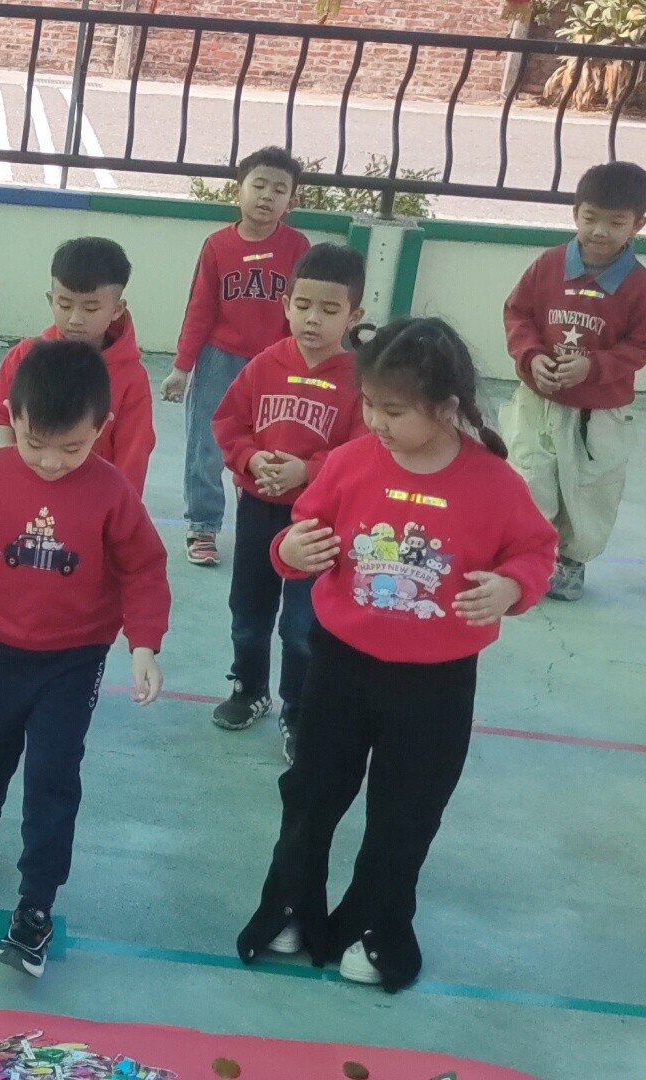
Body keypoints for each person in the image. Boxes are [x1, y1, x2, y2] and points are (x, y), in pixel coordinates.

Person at [237, 318, 556, 994]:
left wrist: (510, 587)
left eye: (394, 410)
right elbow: (301, 530)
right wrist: (289, 550)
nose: (376, 421)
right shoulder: (350, 463)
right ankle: (289, 904)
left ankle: (376, 925)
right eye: (370, 405)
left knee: (406, 812)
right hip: (340, 667)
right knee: (311, 795)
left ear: (445, 408)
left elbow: (535, 550)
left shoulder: (494, 482)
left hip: (435, 685)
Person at [0, 340, 169, 980]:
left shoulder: (111, 491)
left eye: (72, 447)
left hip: (74, 660)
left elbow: (144, 569)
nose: (50, 461)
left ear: (101, 428)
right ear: (11, 416)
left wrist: (143, 644)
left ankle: (37, 902)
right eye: (35, 442)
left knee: (52, 778)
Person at [209, 243, 368, 761]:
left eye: (329, 309)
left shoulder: (359, 380)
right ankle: (249, 687)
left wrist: (308, 471)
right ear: (286, 304)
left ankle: (298, 708)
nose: (312, 319)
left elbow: (364, 449)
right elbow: (229, 422)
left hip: (319, 521)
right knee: (248, 608)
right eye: (302, 305)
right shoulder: (265, 364)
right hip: (259, 509)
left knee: (303, 624)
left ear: (354, 315)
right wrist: (251, 458)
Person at [502, 160, 646, 602]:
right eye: (591, 218)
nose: (600, 231)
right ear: (575, 214)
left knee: (587, 490)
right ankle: (527, 555)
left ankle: (570, 559)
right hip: (538, 401)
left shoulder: (638, 286)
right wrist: (531, 356)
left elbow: (640, 345)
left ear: (638, 225)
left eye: (616, 223)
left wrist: (593, 367)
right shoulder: (548, 265)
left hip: (597, 414)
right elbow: (518, 314)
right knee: (531, 476)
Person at [162, 146, 311, 568]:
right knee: (206, 446)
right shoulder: (217, 246)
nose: (267, 196)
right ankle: (203, 526)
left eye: (279, 189)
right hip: (219, 360)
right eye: (258, 185)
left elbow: (304, 307)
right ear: (238, 191)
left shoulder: (297, 246)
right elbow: (200, 309)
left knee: (270, 445)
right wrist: (181, 368)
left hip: (275, 364)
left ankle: (261, 523)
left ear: (291, 200)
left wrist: (302, 361)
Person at [0, 236, 152, 496]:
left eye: (91, 308)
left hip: (91, 499)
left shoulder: (131, 378)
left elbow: (133, 456)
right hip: (25, 491)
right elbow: (0, 416)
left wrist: (118, 510)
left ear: (117, 309)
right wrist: (11, 473)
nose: (75, 319)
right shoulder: (25, 356)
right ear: (50, 300)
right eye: (64, 304)